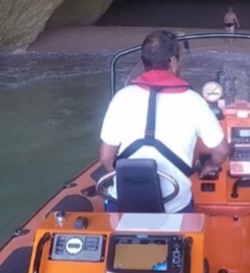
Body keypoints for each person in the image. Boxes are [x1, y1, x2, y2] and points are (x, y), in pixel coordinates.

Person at [98, 30, 230, 213]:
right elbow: (222, 150)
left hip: (123, 204)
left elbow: (106, 157)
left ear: (144, 61)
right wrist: (210, 165)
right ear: (173, 61)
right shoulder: (194, 101)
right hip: (173, 207)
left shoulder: (122, 98)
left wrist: (124, 181)